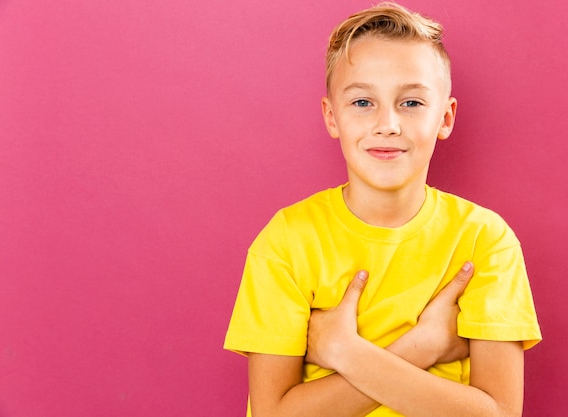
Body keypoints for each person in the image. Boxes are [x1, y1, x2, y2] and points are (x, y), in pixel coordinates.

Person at [224, 3, 542, 416]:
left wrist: (344, 350)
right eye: (362, 102)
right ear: (331, 116)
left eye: (410, 103)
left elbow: (498, 414)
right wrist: (422, 346)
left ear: (444, 118)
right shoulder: (286, 241)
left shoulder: (486, 240)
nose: (387, 123)